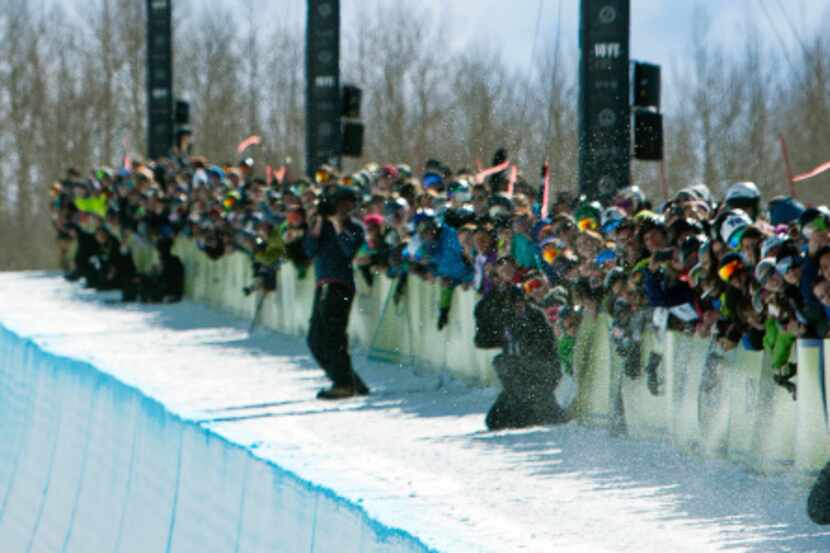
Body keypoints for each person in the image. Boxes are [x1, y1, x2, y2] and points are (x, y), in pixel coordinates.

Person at [303, 186, 370, 399]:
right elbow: (310, 250)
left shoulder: (355, 228)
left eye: (343, 203)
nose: (339, 208)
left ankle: (343, 383)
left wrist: (337, 223)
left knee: (334, 335)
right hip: (322, 283)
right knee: (315, 339)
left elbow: (348, 250)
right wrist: (318, 221)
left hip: (340, 284)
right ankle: (348, 379)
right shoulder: (323, 227)